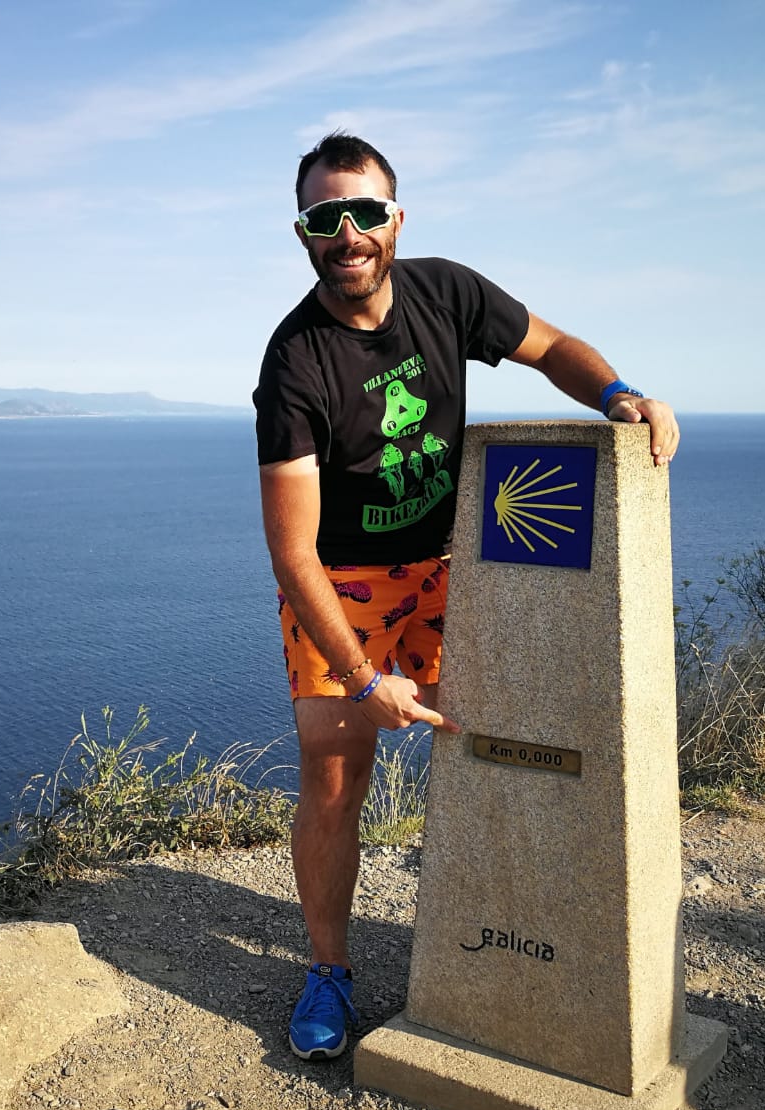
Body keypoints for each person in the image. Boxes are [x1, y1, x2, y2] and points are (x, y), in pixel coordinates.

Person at [252, 132, 681, 1061]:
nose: (349, 234)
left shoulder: (447, 293)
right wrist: (365, 681)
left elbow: (554, 346)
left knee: (503, 743)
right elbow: (292, 553)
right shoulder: (294, 362)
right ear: (304, 234)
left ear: (396, 220)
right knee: (335, 774)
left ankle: (502, 944)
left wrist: (619, 394)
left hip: (454, 565)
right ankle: (329, 968)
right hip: (345, 583)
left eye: (365, 213)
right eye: (327, 219)